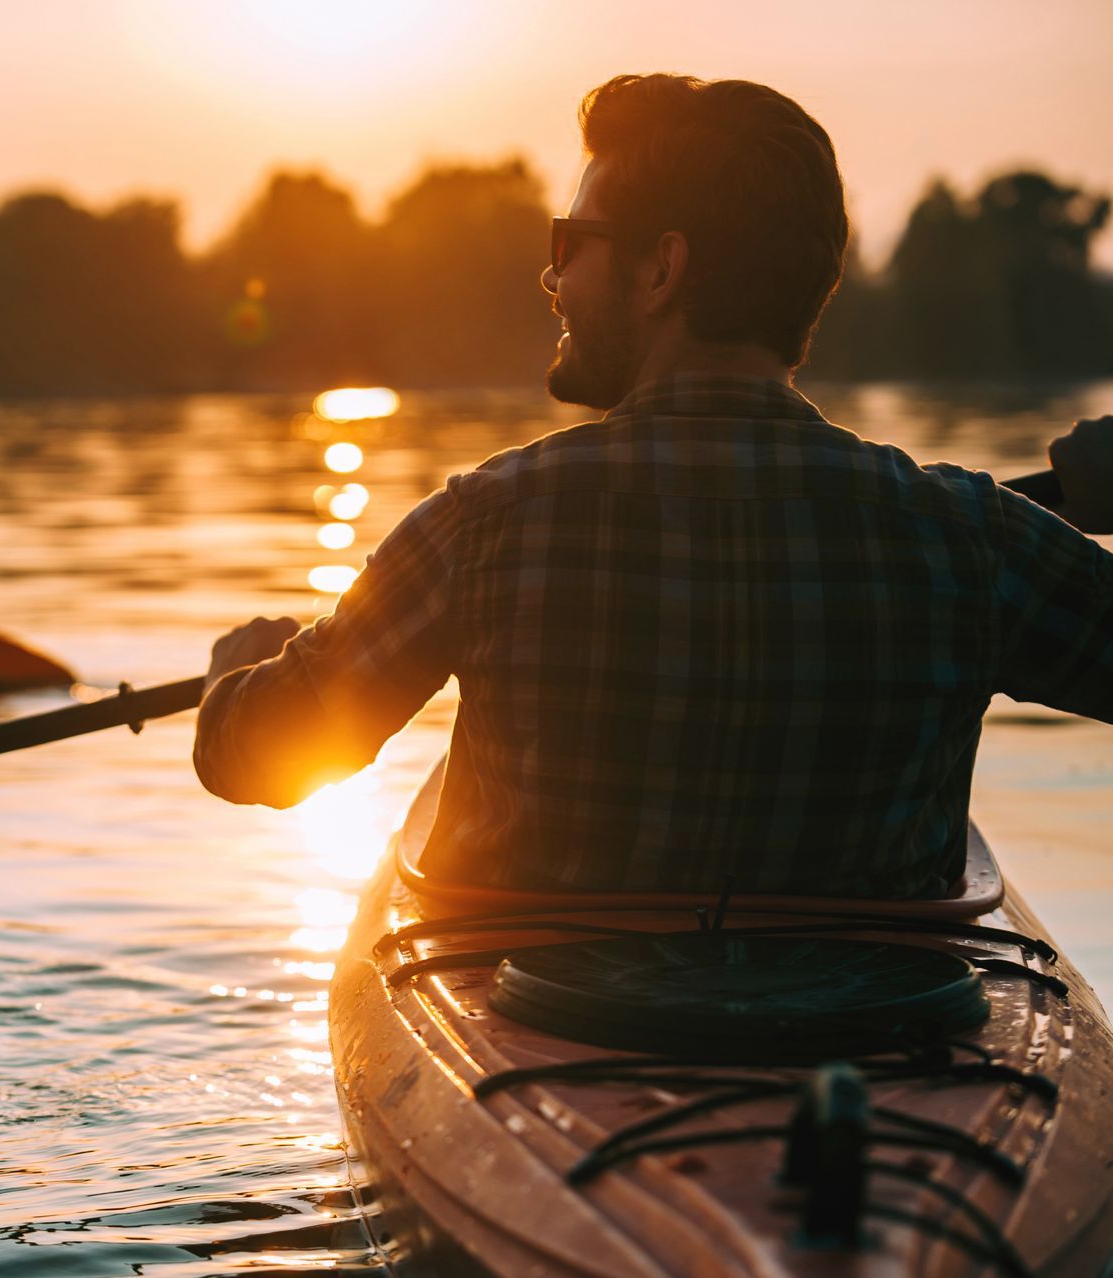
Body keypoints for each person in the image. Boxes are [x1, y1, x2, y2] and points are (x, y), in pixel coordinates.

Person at [192, 74, 1113, 899]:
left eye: (573, 240)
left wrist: (238, 676)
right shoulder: (971, 536)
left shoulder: (483, 527)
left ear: (662, 268)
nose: (552, 276)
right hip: (879, 1037)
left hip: (564, 1033)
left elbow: (257, 758)